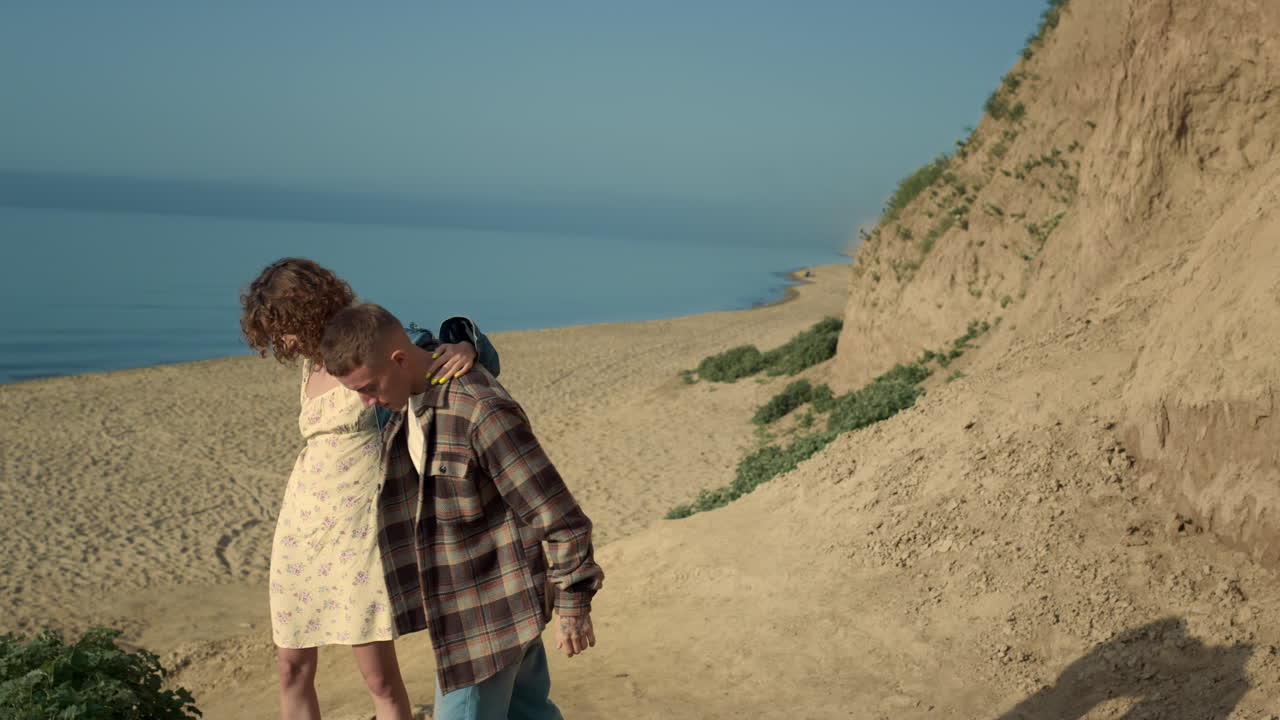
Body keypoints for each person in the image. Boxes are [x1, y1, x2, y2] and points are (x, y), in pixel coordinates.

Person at [239, 258, 499, 720]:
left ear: (306, 311)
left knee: (379, 678)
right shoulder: (312, 363)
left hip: (360, 530)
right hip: (300, 528)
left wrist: (466, 347)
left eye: (284, 329)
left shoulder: (368, 343)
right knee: (290, 668)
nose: (283, 343)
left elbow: (434, 354)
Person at [319, 302, 603, 720]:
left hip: (487, 621)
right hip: (482, 606)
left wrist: (574, 605)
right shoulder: (407, 399)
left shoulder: (478, 409)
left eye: (369, 387)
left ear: (400, 360)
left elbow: (559, 515)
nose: (366, 403)